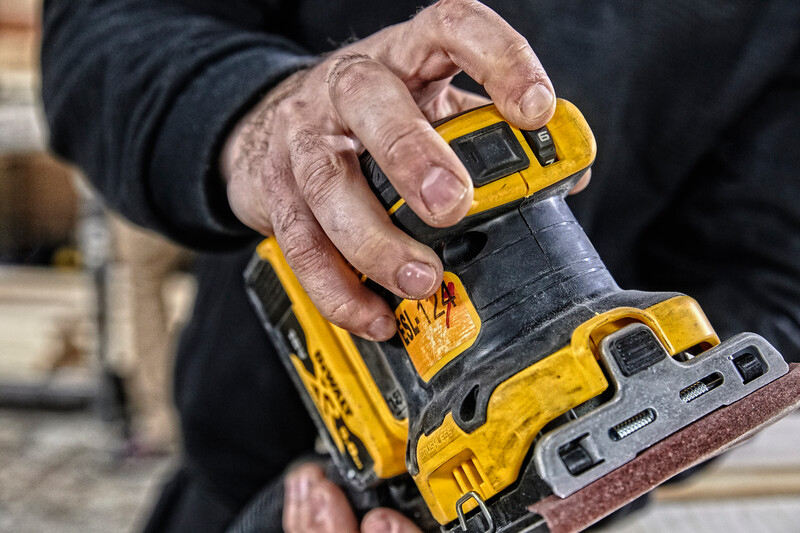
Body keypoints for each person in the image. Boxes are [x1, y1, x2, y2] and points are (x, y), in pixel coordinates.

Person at [41, 1, 800, 531]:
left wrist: (553, 475)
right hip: (239, 473)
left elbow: (768, 277)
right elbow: (106, 26)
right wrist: (265, 121)